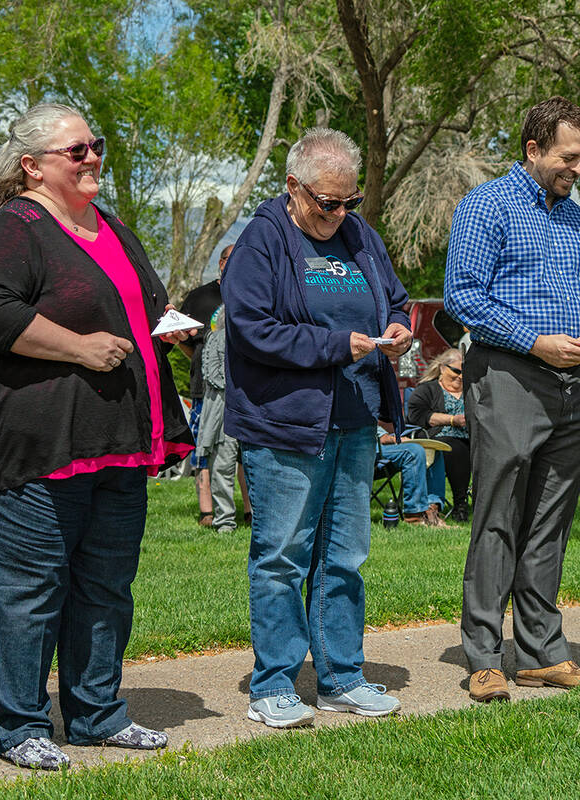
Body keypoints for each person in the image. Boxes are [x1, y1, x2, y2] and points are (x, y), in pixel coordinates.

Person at [0, 103, 196, 768]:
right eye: (75, 151)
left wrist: (172, 323)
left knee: (107, 583)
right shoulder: (14, 226)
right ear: (32, 165)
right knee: (27, 590)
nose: (91, 159)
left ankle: (97, 713)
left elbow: (142, 299)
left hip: (115, 439)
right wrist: (78, 349)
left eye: (95, 145)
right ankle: (20, 723)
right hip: (34, 443)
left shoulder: (108, 225)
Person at [223, 127, 412, 728]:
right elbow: (251, 327)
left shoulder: (360, 237)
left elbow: (399, 299)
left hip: (354, 419)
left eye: (349, 201)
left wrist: (401, 326)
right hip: (285, 425)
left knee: (345, 555)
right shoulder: (262, 240)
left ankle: (340, 676)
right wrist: (334, 344)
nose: (338, 213)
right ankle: (274, 684)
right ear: (292, 187)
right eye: (326, 202)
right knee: (282, 555)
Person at [444, 96, 580, 704]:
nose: (579, 169)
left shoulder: (579, 219)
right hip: (510, 379)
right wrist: (535, 341)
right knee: (498, 518)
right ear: (533, 149)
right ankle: (485, 656)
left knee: (549, 525)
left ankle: (541, 652)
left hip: (573, 388)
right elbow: (462, 298)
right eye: (570, 157)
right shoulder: (487, 205)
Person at [195, 277, 252, 533]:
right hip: (225, 412)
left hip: (255, 411)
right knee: (222, 466)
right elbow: (214, 376)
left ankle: (260, 518)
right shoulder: (216, 340)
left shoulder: (259, 338)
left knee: (258, 467)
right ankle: (225, 520)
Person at [178, 246, 230, 526]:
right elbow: (185, 342)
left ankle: (248, 511)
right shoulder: (199, 297)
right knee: (203, 448)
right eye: (229, 261)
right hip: (204, 388)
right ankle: (207, 512)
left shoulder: (253, 293)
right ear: (221, 263)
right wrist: (204, 364)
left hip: (242, 390)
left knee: (245, 452)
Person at [405, 348, 471, 521]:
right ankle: (460, 504)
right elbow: (417, 415)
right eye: (456, 371)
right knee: (454, 447)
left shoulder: (473, 391)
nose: (461, 376)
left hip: (472, 439)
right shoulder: (426, 390)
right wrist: (452, 420)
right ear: (442, 368)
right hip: (438, 437)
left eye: (465, 372)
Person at [377, 423, 448, 527]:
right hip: (364, 447)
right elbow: (380, 436)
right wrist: (395, 439)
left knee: (433, 449)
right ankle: (414, 516)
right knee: (414, 451)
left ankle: (432, 510)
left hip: (385, 441)